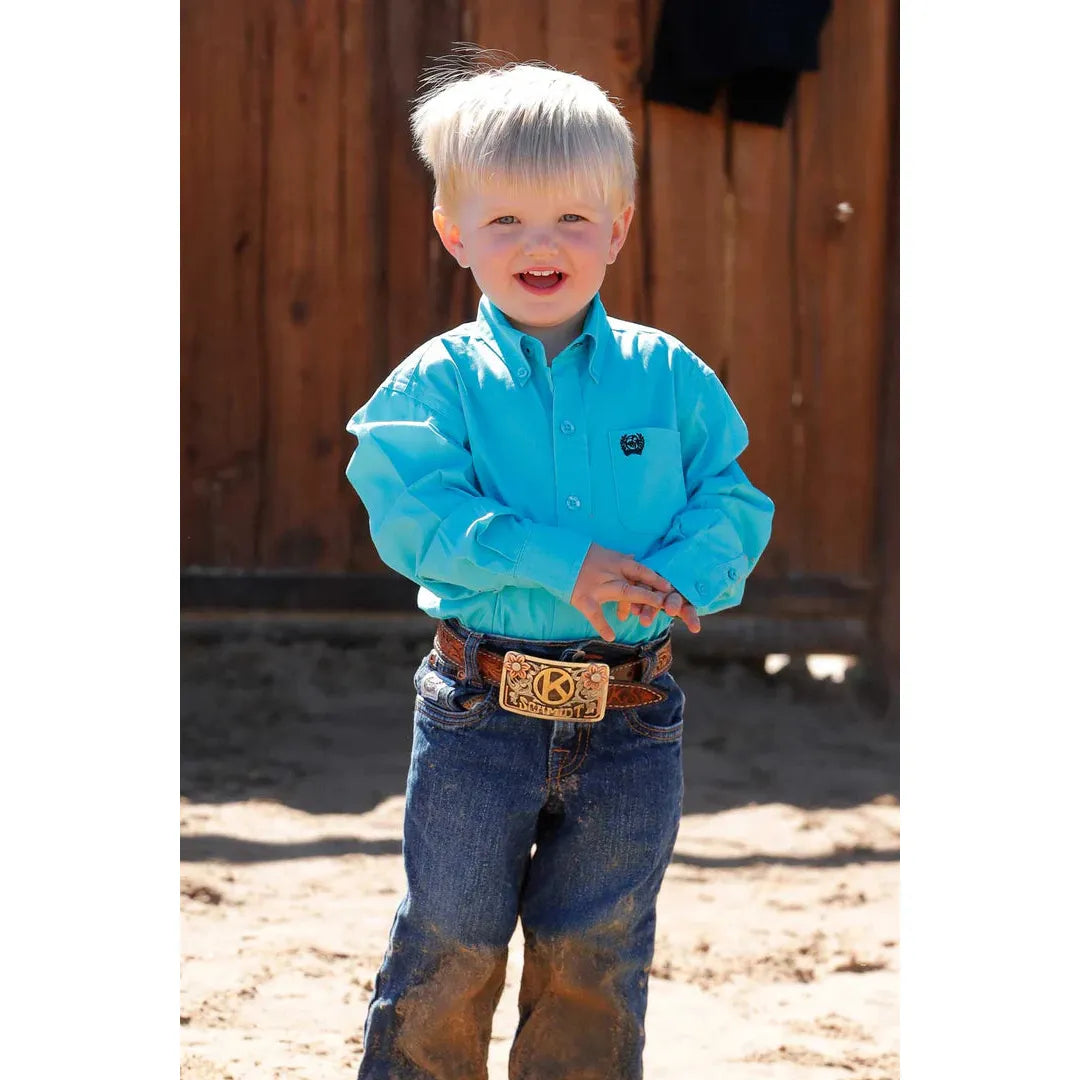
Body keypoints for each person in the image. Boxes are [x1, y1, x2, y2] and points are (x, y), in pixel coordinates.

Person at [343, 55, 774, 1080]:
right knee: (451, 935)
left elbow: (731, 497)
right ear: (454, 234)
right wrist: (562, 563)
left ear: (618, 229)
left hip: (633, 716)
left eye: (573, 219)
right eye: (506, 221)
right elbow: (413, 515)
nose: (541, 245)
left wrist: (689, 573)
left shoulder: (668, 376)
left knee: (599, 948)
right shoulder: (437, 384)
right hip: (478, 712)